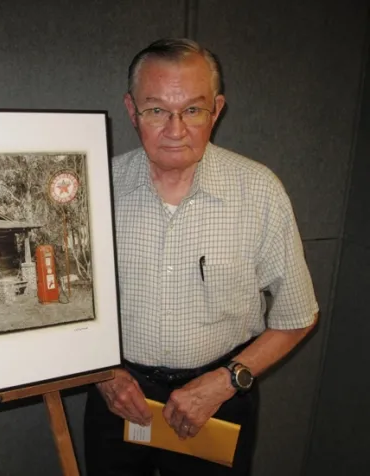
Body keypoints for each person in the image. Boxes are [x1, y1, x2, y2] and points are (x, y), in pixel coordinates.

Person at [84, 38, 319, 476]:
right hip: (117, 395)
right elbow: (68, 305)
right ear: (132, 111)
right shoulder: (97, 185)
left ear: (217, 109)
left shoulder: (259, 191)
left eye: (193, 109)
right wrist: (103, 376)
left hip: (219, 398)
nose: (176, 129)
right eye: (156, 110)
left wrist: (226, 381)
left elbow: (297, 315)